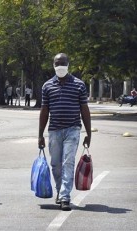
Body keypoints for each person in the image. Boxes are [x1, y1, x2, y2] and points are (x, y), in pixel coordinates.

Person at [38, 53, 91, 211]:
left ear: (68, 64)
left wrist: (89, 132)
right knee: (56, 164)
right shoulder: (47, 86)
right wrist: (40, 135)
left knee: (68, 162)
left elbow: (85, 110)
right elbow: (44, 111)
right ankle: (60, 191)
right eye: (57, 63)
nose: (59, 66)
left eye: (62, 63)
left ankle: (65, 196)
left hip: (73, 129)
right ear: (53, 65)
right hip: (54, 131)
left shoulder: (79, 85)